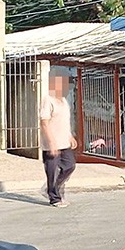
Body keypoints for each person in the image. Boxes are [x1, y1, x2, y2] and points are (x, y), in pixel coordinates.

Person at [40, 68, 77, 207]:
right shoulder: (47, 100)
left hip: (64, 141)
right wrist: (51, 143)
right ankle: (54, 197)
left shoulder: (63, 100)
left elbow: (65, 121)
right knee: (52, 171)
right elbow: (44, 123)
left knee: (70, 166)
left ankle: (51, 189)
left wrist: (70, 136)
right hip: (52, 143)